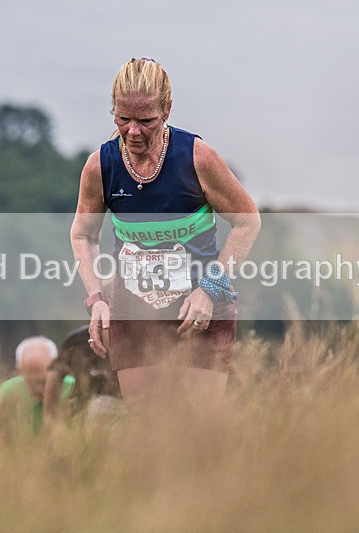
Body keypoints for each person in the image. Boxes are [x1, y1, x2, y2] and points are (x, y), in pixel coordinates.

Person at [70, 58, 260, 405]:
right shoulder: (101, 166)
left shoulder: (196, 157)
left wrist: (209, 289)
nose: (133, 131)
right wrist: (97, 300)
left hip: (201, 309)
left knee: (197, 427)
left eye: (146, 121)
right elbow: (83, 234)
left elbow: (247, 219)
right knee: (148, 429)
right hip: (133, 311)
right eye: (123, 119)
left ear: (167, 110)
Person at [0, 335, 74, 434]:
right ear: (19, 372)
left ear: (58, 369)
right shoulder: (7, 394)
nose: (39, 389)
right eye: (32, 382)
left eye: (44, 381)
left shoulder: (75, 388)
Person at [43, 324, 122, 422]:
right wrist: (51, 420)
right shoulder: (76, 342)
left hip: (126, 407)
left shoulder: (134, 337)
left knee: (99, 407)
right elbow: (53, 374)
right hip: (83, 412)